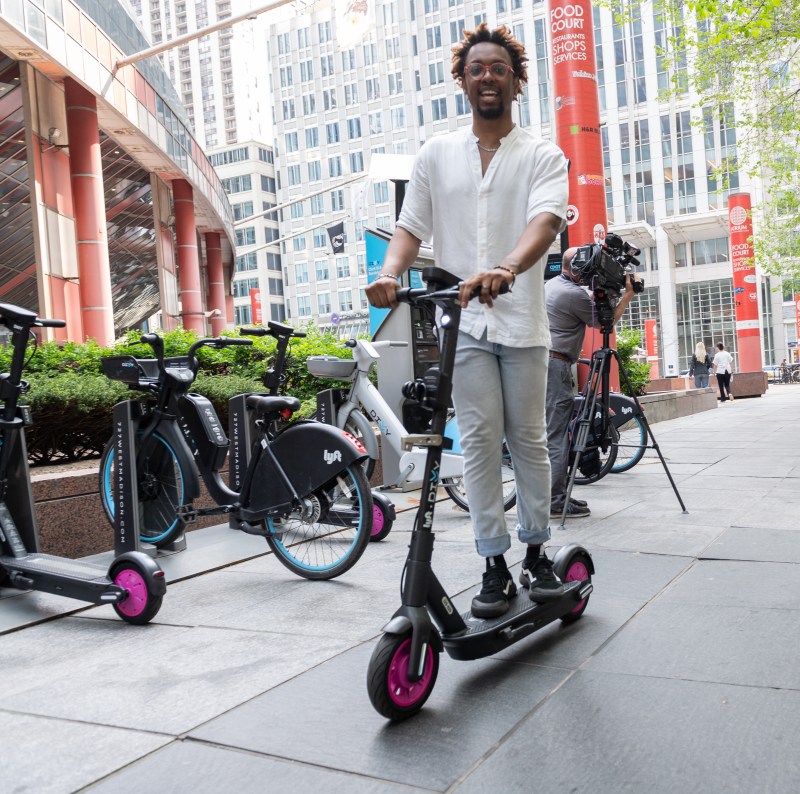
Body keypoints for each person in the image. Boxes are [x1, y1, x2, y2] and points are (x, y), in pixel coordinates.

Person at [365, 23, 568, 619]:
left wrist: (507, 268)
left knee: (526, 439)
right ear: (461, 78)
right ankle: (494, 563)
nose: (487, 76)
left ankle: (535, 553)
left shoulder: (541, 154)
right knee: (479, 442)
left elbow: (547, 221)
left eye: (498, 68)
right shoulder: (436, 154)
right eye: (476, 68)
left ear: (515, 80)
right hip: (465, 326)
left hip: (523, 322)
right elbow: (410, 227)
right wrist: (390, 273)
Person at [545, 248, 638, 520]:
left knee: (554, 432)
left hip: (550, 363)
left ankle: (557, 495)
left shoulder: (554, 285)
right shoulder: (572, 294)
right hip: (555, 365)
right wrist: (628, 294)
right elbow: (606, 323)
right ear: (576, 267)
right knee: (557, 434)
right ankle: (555, 501)